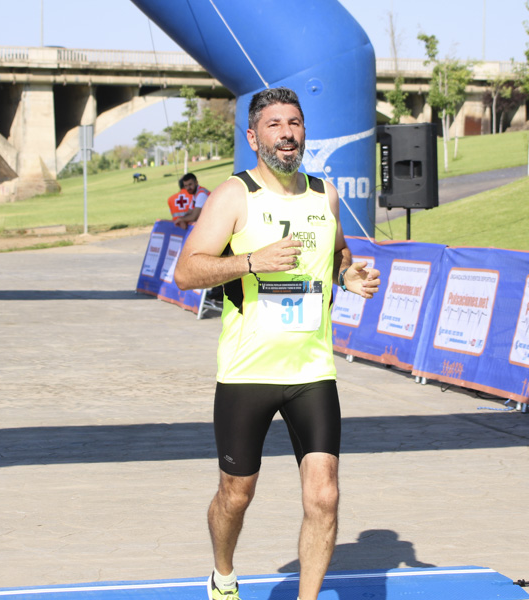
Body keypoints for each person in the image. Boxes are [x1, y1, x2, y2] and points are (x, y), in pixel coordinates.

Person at [173, 87, 381, 600]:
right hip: (248, 373)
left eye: (294, 123)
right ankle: (223, 575)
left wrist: (347, 275)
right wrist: (250, 262)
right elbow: (185, 271)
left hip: (312, 372)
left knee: (324, 496)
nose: (287, 133)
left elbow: (338, 254)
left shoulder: (324, 194)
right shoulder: (234, 195)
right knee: (236, 495)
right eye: (274, 125)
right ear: (253, 136)